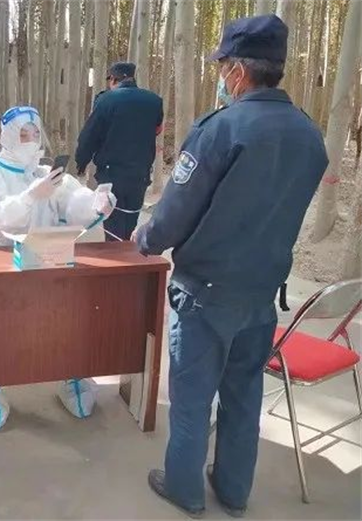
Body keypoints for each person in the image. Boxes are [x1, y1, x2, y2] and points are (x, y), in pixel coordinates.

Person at [135, 15, 328, 518]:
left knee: (192, 397)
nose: (221, 76)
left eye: (222, 66)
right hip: (261, 293)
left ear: (238, 71)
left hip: (206, 291)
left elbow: (175, 212)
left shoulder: (221, 129)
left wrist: (145, 239)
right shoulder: (309, 135)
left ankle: (184, 489)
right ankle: (234, 490)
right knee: (243, 396)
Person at [0, 106, 117, 431]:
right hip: (1, 267)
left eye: (35, 133)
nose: (31, 140)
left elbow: (73, 202)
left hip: (50, 264)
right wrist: (29, 198)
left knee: (63, 326)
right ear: (8, 136)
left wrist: (95, 204)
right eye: (23, 134)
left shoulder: (48, 174)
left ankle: (73, 380)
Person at [75, 62, 163, 241]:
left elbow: (89, 135)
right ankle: (127, 254)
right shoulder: (154, 101)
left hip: (112, 175)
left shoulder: (106, 100)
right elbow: (157, 129)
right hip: (140, 175)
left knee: (112, 229)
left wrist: (81, 161)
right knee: (130, 224)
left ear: (114, 79)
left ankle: (117, 257)